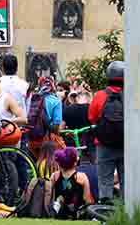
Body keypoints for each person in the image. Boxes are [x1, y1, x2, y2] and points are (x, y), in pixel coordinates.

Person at [88, 61, 125, 202]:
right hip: (125, 145)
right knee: (126, 181)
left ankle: (105, 212)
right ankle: (127, 213)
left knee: (105, 181)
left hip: (104, 144)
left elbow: (91, 117)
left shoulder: (99, 95)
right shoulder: (130, 96)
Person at [47, 146, 94, 219]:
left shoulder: (54, 176)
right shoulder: (81, 177)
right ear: (75, 163)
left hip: (57, 214)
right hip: (76, 215)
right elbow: (87, 199)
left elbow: (49, 196)